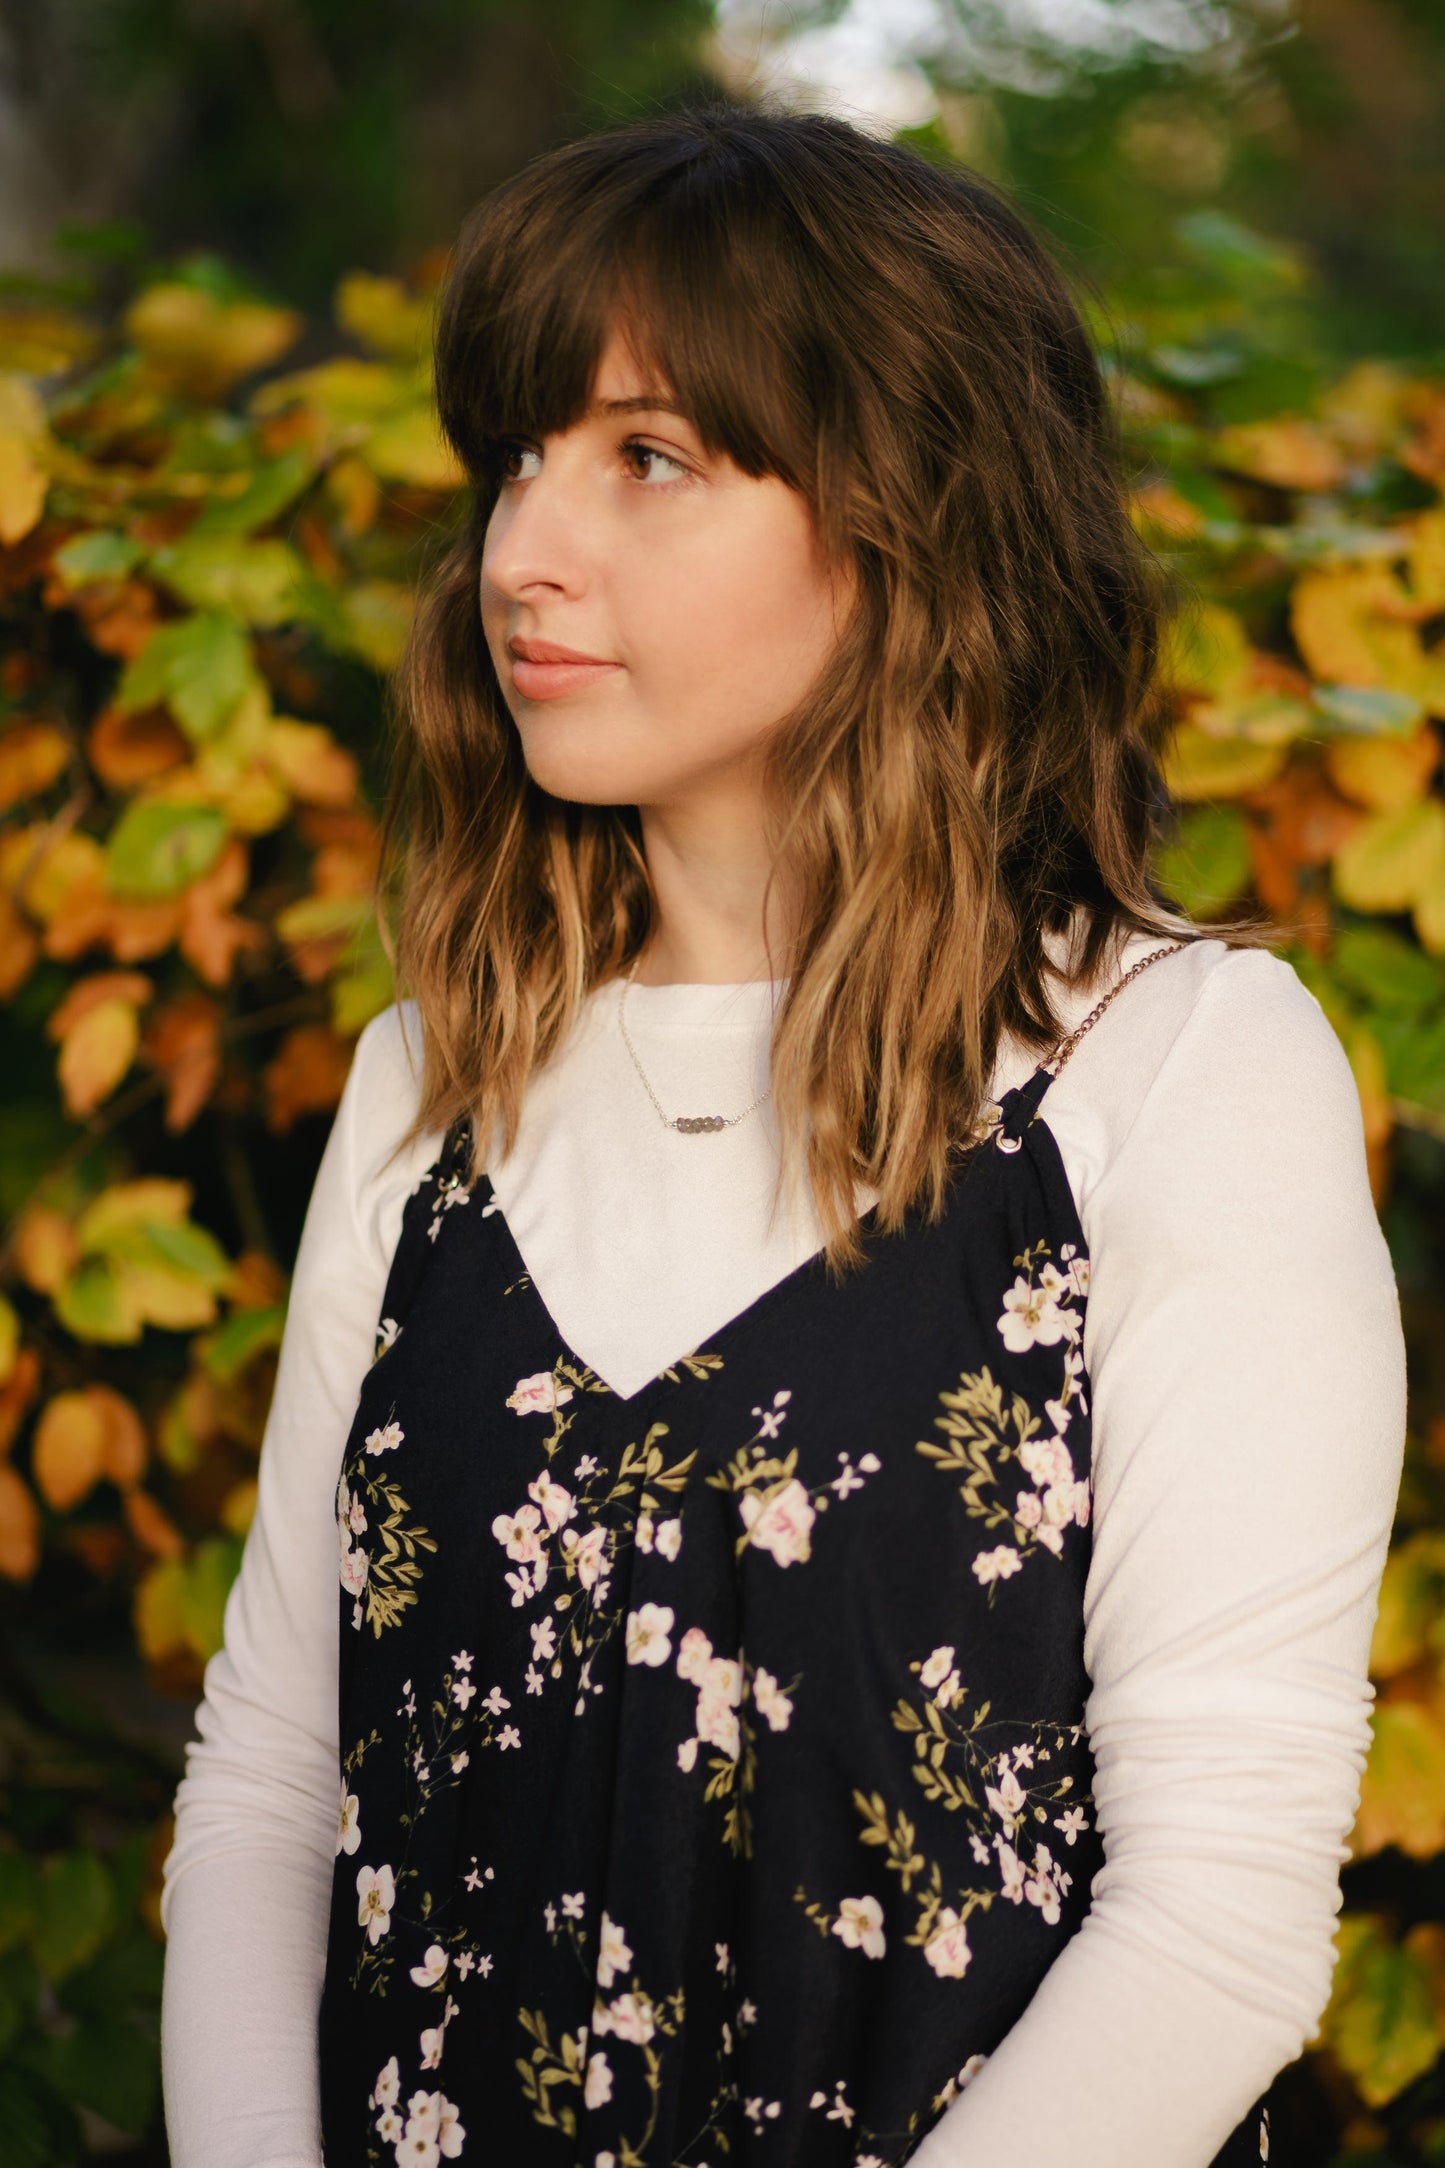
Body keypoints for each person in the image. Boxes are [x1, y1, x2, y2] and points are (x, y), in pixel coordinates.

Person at [159, 103, 1407, 2168]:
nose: (524, 552)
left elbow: (1221, 1916)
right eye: (518, 459)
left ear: (913, 515)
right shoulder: (432, 1077)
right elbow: (277, 1786)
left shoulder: (1176, 1072)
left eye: (648, 459)